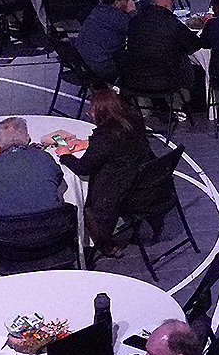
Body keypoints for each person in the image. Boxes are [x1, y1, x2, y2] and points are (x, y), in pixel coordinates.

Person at [59, 87, 154, 247]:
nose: (90, 115)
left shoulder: (104, 137)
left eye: (92, 112)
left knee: (85, 207)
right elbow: (118, 145)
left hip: (117, 190)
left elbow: (84, 167)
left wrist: (65, 155)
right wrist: (88, 143)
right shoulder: (133, 121)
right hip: (143, 180)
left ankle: (105, 244)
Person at [0, 118, 66, 235]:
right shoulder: (44, 158)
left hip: (7, 244)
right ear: (28, 138)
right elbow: (60, 184)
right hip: (53, 237)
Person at [119, 0, 203, 105]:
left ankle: (156, 106)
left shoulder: (134, 21)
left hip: (134, 78)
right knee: (194, 66)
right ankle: (192, 104)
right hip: (165, 80)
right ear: (167, 6)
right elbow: (195, 45)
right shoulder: (171, 23)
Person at [74, 0, 135, 82]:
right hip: (101, 67)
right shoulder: (117, 16)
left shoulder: (97, 10)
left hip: (82, 62)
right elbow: (136, 29)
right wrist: (132, 11)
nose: (129, 1)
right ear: (117, 3)